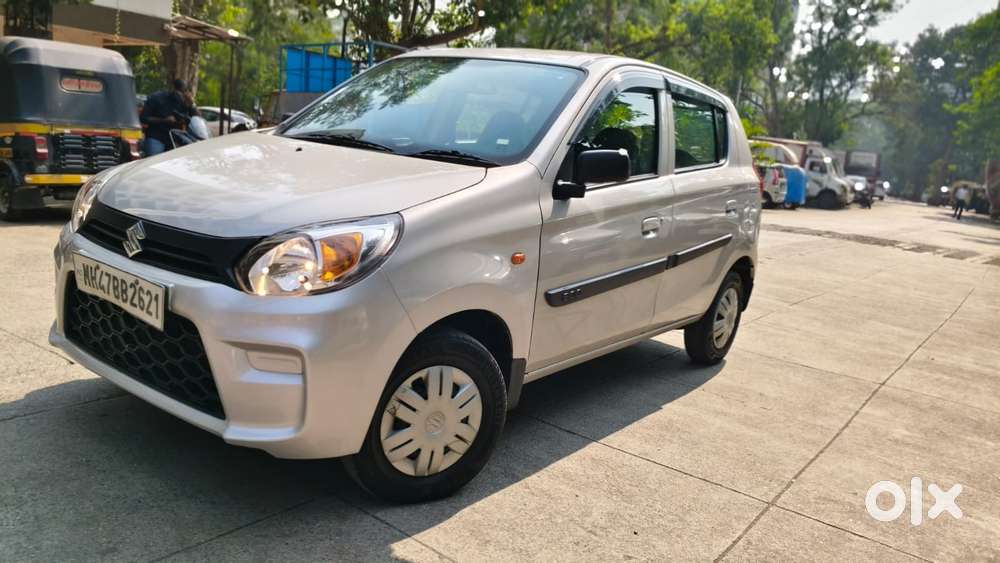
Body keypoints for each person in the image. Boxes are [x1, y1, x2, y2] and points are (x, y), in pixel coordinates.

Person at [140, 79, 199, 156]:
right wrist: (164, 120)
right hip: (157, 136)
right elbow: (144, 118)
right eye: (178, 90)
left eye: (183, 91)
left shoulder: (187, 102)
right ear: (172, 88)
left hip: (177, 138)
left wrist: (192, 104)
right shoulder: (157, 98)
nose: (180, 94)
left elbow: (198, 120)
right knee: (154, 158)